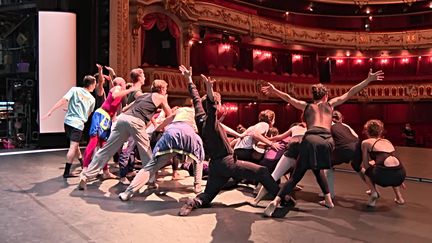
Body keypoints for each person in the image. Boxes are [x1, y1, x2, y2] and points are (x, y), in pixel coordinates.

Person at [261, 68, 384, 217]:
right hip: (326, 141)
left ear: (313, 96)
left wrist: (275, 91)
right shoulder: (330, 105)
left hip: (310, 138)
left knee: (296, 176)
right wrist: (368, 80)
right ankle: (328, 199)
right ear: (326, 96)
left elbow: (288, 98)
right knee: (321, 170)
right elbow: (351, 92)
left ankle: (276, 200)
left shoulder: (306, 106)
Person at [177, 65, 281, 216]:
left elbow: (196, 99)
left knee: (207, 196)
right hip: (227, 162)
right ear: (216, 105)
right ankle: (282, 198)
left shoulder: (200, 118)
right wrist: (208, 88)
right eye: (219, 103)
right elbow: (211, 106)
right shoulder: (210, 122)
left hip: (216, 166)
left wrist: (189, 80)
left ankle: (193, 202)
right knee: (262, 172)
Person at [78, 79, 172, 189]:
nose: (166, 91)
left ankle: (85, 176)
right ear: (161, 89)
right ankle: (150, 181)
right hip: (136, 121)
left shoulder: (144, 95)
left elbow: (126, 108)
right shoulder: (161, 97)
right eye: (165, 89)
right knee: (146, 153)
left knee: (106, 149)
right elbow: (170, 115)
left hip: (123, 119)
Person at [118, 105, 205, 200]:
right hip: (190, 134)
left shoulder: (179, 111)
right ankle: (197, 186)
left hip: (172, 133)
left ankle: (127, 193)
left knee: (151, 166)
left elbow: (166, 121)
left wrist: (156, 129)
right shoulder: (197, 112)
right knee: (198, 158)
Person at [81, 76, 138, 179]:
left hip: (107, 118)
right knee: (94, 141)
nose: (125, 85)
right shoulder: (118, 89)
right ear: (121, 83)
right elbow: (115, 94)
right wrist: (130, 89)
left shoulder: (120, 93)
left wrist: (134, 103)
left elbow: (122, 108)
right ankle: (85, 169)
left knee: (104, 146)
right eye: (124, 83)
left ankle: (105, 171)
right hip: (101, 115)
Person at [42, 75, 96, 178]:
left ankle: (82, 163)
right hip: (78, 124)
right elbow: (88, 114)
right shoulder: (92, 99)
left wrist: (51, 111)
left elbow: (63, 100)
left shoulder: (74, 90)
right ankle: (67, 172)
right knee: (73, 146)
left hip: (68, 122)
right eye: (94, 84)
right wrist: (80, 115)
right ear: (91, 84)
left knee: (75, 145)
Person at [361, 119, 406, 207]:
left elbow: (366, 165)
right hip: (400, 175)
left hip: (384, 178)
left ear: (366, 131)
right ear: (380, 131)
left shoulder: (365, 143)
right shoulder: (387, 141)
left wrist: (371, 165)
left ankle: (373, 192)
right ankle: (399, 198)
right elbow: (394, 161)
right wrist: (400, 181)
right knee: (390, 169)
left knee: (365, 171)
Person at [117, 68, 146, 184]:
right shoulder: (138, 92)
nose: (144, 78)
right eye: (143, 75)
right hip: (131, 123)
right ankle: (123, 175)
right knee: (127, 149)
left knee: (132, 149)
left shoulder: (135, 91)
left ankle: (130, 170)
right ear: (139, 77)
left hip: (132, 123)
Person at [325, 110, 363, 198]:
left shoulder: (328, 126)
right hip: (357, 146)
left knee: (327, 165)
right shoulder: (345, 126)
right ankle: (373, 190)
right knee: (358, 167)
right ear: (341, 118)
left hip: (344, 148)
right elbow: (356, 137)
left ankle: (329, 194)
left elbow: (328, 141)